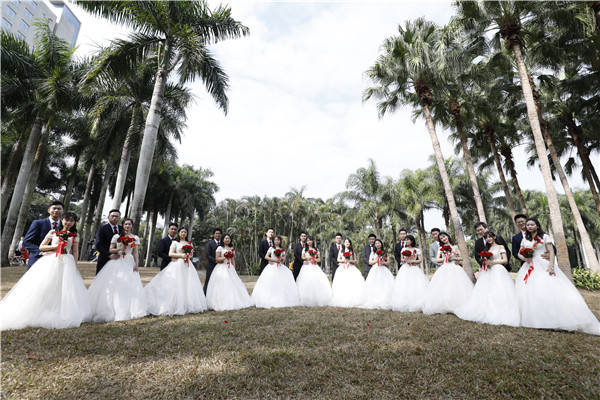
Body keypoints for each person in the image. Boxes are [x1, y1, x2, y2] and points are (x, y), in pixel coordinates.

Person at [1, 212, 91, 330]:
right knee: (47, 283)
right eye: (66, 220)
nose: (68, 222)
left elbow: (75, 251)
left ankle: (64, 310)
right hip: (52, 259)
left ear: (74, 223)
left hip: (67, 260)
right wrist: (57, 246)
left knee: (66, 285)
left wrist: (74, 264)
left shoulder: (75, 235)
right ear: (62, 220)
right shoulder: (53, 232)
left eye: (71, 221)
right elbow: (42, 247)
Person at [515, 218, 599, 335]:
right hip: (530, 265)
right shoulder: (525, 239)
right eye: (528, 225)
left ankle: (559, 320)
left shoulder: (544, 237)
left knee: (549, 290)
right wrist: (525, 258)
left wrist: (551, 267)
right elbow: (520, 252)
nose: (529, 226)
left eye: (532, 224)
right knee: (531, 292)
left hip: (543, 264)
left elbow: (551, 252)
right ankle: (536, 319)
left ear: (537, 225)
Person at [87, 218, 147, 322]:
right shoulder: (116, 236)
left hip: (129, 260)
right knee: (116, 283)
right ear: (122, 225)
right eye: (125, 224)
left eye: (129, 224)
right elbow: (111, 249)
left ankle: (130, 308)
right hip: (118, 260)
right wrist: (120, 249)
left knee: (129, 283)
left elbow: (135, 252)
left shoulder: (135, 238)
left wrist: (136, 264)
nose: (127, 226)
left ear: (132, 226)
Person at [456, 231, 520, 327]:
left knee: (499, 289)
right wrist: (485, 262)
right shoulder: (487, 249)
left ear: (494, 237)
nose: (488, 239)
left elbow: (505, 260)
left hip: (498, 270)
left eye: (490, 237)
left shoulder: (500, 246)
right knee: (486, 290)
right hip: (488, 271)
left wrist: (492, 263)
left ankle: (501, 308)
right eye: (486, 238)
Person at [145, 227, 208, 316]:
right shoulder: (175, 243)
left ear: (187, 233)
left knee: (188, 283)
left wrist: (188, 255)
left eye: (185, 232)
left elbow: (191, 254)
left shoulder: (189, 243)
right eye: (182, 232)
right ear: (179, 233)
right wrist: (181, 255)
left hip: (187, 265)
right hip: (177, 263)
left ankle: (188, 304)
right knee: (176, 283)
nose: (183, 233)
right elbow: (170, 253)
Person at [422, 232, 474, 315]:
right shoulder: (441, 248)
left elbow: (461, 258)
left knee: (457, 285)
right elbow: (438, 259)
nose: (443, 239)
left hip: (455, 267)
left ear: (447, 236)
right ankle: (444, 304)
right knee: (445, 285)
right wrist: (445, 258)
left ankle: (457, 303)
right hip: (445, 267)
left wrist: (453, 258)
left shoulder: (455, 247)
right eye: (441, 238)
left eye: (444, 236)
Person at [206, 234, 253, 311]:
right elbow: (217, 259)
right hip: (221, 267)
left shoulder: (231, 248)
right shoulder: (220, 248)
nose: (227, 240)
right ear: (223, 240)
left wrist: (233, 268)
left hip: (230, 268)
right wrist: (225, 258)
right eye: (226, 238)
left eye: (229, 238)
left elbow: (233, 260)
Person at [251, 235, 300, 308]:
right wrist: (273, 260)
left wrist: (282, 259)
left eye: (278, 240)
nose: (277, 241)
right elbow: (266, 256)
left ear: (280, 241)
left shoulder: (282, 249)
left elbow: (284, 258)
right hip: (272, 266)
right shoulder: (271, 248)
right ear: (274, 241)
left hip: (280, 266)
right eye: (275, 240)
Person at [390, 235, 430, 312]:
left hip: (414, 268)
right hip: (405, 268)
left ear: (412, 240)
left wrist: (413, 261)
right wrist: (405, 260)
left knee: (415, 284)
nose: (407, 241)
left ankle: (416, 301)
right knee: (404, 284)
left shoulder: (417, 250)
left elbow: (420, 260)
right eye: (406, 240)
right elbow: (401, 259)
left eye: (408, 240)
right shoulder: (404, 249)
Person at [22, 200, 64, 269]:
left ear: (62, 211)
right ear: (49, 210)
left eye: (59, 209)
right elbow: (27, 242)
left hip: (58, 260)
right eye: (54, 208)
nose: (56, 210)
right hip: (38, 258)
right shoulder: (38, 223)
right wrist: (40, 252)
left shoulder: (65, 226)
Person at [296, 236, 332, 306]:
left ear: (313, 241)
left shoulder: (316, 249)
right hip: (307, 266)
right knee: (306, 281)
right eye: (308, 240)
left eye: (310, 240)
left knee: (317, 281)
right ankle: (306, 298)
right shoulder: (304, 249)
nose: (309, 242)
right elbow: (302, 257)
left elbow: (319, 259)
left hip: (314, 266)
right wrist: (308, 257)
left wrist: (314, 259)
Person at [330, 238, 365, 308]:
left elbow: (355, 260)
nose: (347, 243)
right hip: (343, 267)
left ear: (350, 243)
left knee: (352, 282)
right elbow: (338, 259)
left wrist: (350, 261)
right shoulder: (341, 251)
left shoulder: (352, 251)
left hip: (351, 267)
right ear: (344, 243)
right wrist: (344, 260)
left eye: (348, 242)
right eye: (346, 242)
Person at [360, 239, 394, 309]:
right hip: (375, 269)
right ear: (375, 245)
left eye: (379, 243)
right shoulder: (373, 253)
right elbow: (370, 262)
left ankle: (384, 299)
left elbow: (388, 262)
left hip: (383, 269)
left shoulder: (385, 253)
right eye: (376, 243)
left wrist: (383, 262)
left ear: (381, 244)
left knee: (384, 283)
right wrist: (377, 260)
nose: (377, 244)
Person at [95, 209, 122, 274]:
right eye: (112, 216)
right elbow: (98, 244)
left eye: (116, 216)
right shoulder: (102, 228)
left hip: (119, 259)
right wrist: (109, 255)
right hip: (104, 258)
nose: (114, 218)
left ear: (119, 218)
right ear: (108, 217)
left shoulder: (122, 229)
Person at [204, 228, 222, 294]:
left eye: (219, 233)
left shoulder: (222, 244)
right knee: (208, 280)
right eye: (216, 233)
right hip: (211, 265)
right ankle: (205, 294)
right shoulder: (209, 243)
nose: (218, 235)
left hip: (221, 266)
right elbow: (207, 255)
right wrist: (216, 261)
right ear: (213, 235)